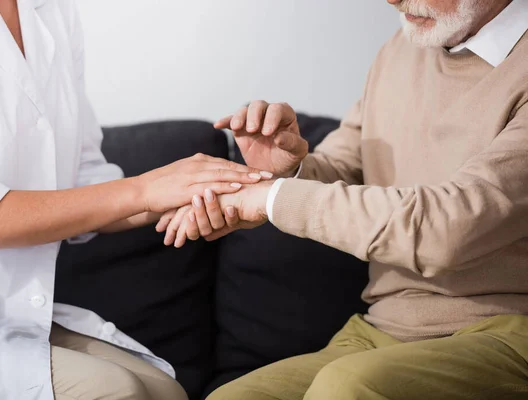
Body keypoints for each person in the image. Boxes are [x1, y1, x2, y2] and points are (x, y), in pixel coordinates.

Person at [160, 0, 528, 398]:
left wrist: (272, 199)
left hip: (506, 333)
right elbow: (348, 165)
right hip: (382, 332)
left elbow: (447, 229)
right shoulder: (401, 51)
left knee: (347, 389)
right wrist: (286, 170)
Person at [0, 0, 273, 399]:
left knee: (166, 392)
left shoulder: (52, 12)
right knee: (117, 391)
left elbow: (87, 181)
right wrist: (145, 188)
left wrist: (210, 189)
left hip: (18, 312)